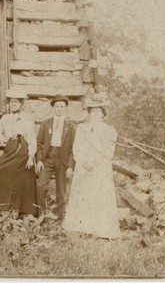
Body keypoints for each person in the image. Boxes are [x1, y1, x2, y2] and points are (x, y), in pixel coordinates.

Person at [63, 94, 120, 239]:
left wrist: (95, 162)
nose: (95, 114)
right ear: (89, 113)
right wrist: (83, 161)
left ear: (103, 113)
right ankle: (83, 227)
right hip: (84, 166)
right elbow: (77, 148)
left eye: (98, 111)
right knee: (84, 195)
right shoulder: (82, 128)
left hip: (100, 167)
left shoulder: (109, 130)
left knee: (98, 196)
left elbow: (108, 151)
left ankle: (101, 229)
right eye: (92, 111)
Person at [0, 88, 38, 215]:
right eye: (11, 102)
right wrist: (7, 138)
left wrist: (30, 156)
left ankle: (20, 207)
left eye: (16, 102)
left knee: (21, 176)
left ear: (21, 104)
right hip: (10, 147)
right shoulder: (6, 118)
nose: (13, 104)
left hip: (23, 147)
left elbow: (31, 137)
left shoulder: (27, 117)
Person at [35, 95, 76, 219]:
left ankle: (59, 216)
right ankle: (41, 212)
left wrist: (70, 166)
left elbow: (74, 148)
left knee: (61, 189)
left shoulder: (71, 126)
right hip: (48, 158)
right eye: (57, 106)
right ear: (53, 108)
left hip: (62, 159)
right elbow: (39, 143)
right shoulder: (46, 124)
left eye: (62, 107)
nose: (59, 109)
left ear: (65, 108)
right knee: (41, 185)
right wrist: (39, 160)